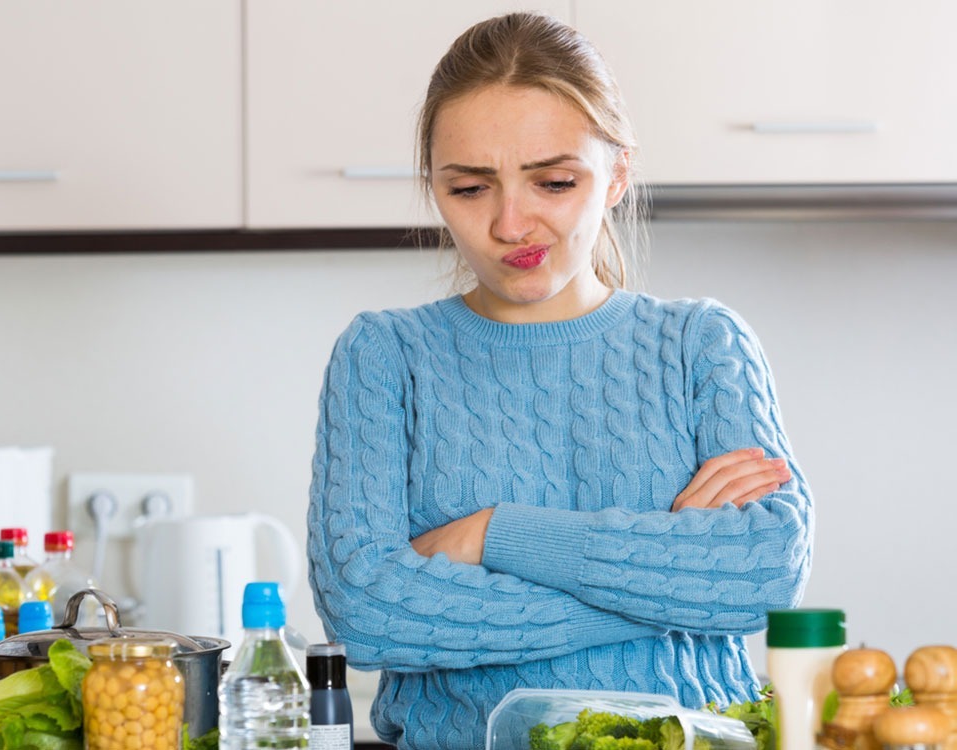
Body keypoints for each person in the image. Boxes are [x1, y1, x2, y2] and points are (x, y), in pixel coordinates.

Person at [307, 12, 812, 750]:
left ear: (617, 176)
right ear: (434, 188)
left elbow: (765, 572)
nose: (513, 224)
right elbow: (364, 607)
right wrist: (672, 589)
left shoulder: (702, 344)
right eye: (471, 189)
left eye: (554, 181)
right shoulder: (385, 356)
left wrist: (496, 534)